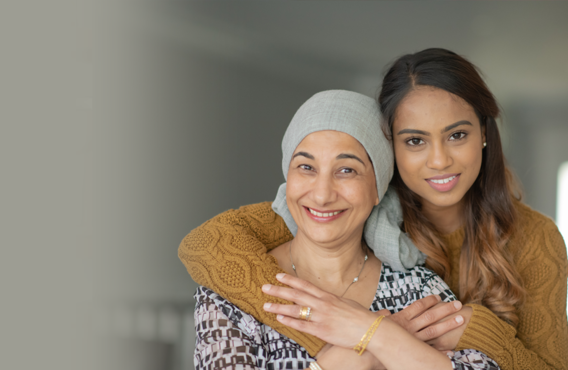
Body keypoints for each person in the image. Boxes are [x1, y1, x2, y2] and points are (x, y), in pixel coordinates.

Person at [181, 49, 568, 370]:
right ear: (391, 149)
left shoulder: (529, 241)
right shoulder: (343, 212)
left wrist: (480, 331)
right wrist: (347, 335)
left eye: (457, 135)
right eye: (415, 140)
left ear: (484, 133)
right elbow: (205, 244)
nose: (439, 160)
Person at [192, 90, 499, 369]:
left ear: (377, 188)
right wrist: (368, 351)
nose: (323, 194)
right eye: (306, 167)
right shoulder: (231, 292)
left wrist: (375, 336)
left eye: (347, 170)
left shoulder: (419, 290)